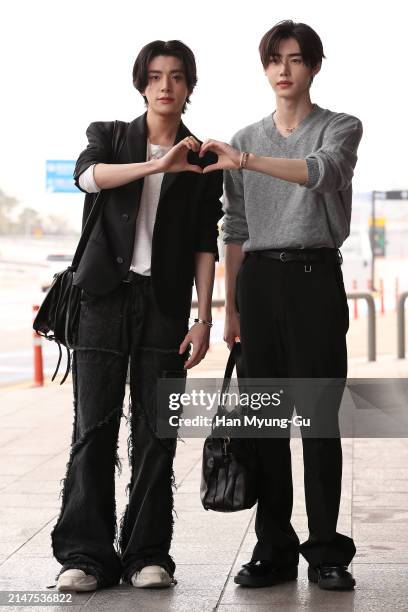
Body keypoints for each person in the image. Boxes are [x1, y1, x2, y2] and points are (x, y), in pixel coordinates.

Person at [51, 39, 223, 592]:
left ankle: (149, 552)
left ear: (189, 85)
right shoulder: (109, 135)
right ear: (141, 83)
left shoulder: (202, 156)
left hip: (163, 304)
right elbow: (87, 177)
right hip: (103, 297)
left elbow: (205, 240)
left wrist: (203, 318)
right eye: (154, 76)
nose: (165, 85)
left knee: (157, 431)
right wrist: (153, 164)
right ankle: (85, 554)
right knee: (94, 426)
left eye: (176, 76)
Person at [199, 20, 363, 591]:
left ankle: (325, 552)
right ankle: (274, 547)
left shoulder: (338, 127)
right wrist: (231, 308)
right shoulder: (247, 133)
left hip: (316, 280)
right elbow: (236, 228)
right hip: (259, 285)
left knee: (317, 422)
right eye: (275, 60)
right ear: (265, 67)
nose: (284, 69)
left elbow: (323, 174)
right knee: (267, 422)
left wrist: (244, 162)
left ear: (314, 66)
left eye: (296, 59)